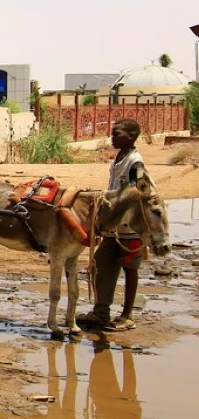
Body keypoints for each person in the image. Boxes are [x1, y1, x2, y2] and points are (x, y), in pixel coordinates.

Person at [78, 119, 146, 332]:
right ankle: (101, 312)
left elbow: (141, 190)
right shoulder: (119, 158)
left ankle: (127, 315)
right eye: (113, 133)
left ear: (132, 136)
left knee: (129, 267)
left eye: (117, 134)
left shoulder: (136, 162)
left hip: (130, 227)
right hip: (113, 227)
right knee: (101, 263)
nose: (112, 137)